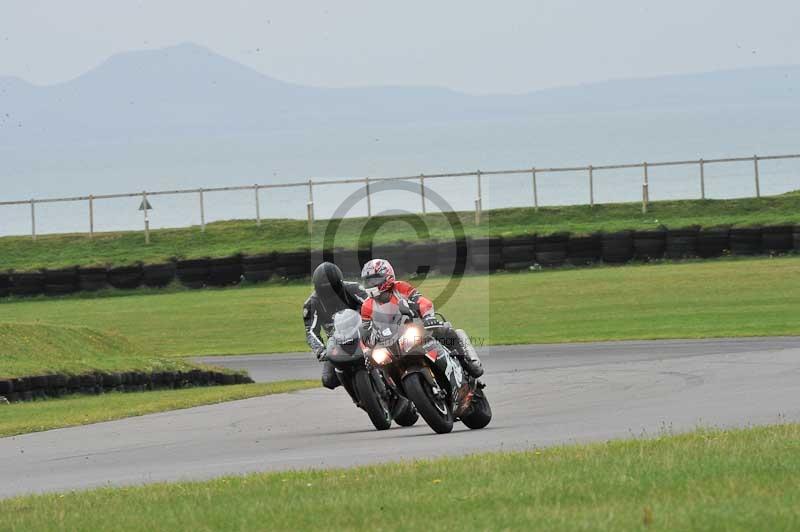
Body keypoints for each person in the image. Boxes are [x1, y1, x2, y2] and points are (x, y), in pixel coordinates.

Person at [359, 258, 483, 378]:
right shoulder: (366, 305)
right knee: (380, 367)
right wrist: (366, 352)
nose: (370, 284)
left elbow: (422, 301)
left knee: (446, 331)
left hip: (417, 328)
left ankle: (468, 362)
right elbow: (365, 330)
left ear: (387, 276)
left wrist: (428, 317)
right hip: (390, 341)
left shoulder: (400, 287)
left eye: (373, 280)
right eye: (368, 281)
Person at [303, 262, 367, 389]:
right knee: (328, 380)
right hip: (337, 342)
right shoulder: (311, 303)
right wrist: (321, 350)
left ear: (340, 283)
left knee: (386, 357)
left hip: (363, 334)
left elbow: (372, 306)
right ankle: (357, 392)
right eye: (325, 290)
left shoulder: (354, 289)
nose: (329, 294)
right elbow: (310, 331)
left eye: (333, 288)